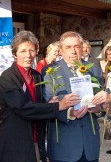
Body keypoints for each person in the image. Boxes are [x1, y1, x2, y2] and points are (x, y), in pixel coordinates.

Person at [0, 30, 81, 162]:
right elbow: (23, 108)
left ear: (36, 52)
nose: (28, 55)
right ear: (15, 54)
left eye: (32, 50)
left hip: (36, 141)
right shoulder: (8, 78)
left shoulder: (37, 76)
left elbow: (41, 106)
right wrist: (57, 106)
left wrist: (51, 104)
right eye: (23, 51)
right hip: (16, 145)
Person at [43, 31, 104, 162]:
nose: (73, 51)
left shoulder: (95, 70)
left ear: (82, 48)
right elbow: (47, 104)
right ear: (61, 51)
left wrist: (98, 108)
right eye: (68, 47)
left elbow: (104, 104)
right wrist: (70, 113)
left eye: (76, 47)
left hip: (89, 144)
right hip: (63, 146)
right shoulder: (50, 71)